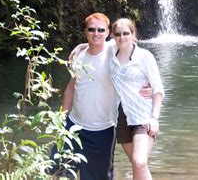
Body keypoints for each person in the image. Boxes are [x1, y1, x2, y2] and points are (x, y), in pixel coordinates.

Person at [52, 12, 151, 180]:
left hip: (102, 131)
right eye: (91, 30)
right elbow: (71, 88)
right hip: (73, 126)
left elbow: (135, 57)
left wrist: (148, 87)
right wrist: (61, 118)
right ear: (85, 31)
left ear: (108, 33)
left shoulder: (114, 53)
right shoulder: (78, 56)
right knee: (57, 173)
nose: (96, 34)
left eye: (100, 30)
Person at [108, 18, 164, 180]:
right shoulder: (111, 53)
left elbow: (158, 89)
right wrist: (81, 47)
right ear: (113, 35)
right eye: (118, 34)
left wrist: (155, 118)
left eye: (126, 33)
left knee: (139, 162)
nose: (122, 37)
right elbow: (97, 46)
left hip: (142, 115)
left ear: (133, 35)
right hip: (121, 118)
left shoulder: (144, 56)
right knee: (137, 164)